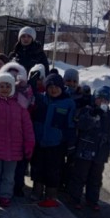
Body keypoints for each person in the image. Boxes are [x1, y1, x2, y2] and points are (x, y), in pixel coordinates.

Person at [0, 73, 35, 207]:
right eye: (1, 86)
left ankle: (5, 195)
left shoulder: (19, 105)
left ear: (12, 88)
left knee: (9, 175)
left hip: (13, 147)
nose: (4, 89)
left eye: (7, 86)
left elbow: (27, 126)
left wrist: (29, 142)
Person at [68, 86, 110, 211]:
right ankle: (74, 198)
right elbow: (80, 125)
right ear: (94, 99)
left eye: (105, 100)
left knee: (95, 179)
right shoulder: (87, 111)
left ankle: (92, 200)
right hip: (84, 151)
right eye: (99, 99)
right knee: (79, 176)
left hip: (100, 154)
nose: (102, 102)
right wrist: (92, 115)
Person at [29, 73, 76, 207]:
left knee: (53, 170)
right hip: (39, 142)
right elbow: (31, 92)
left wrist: (70, 143)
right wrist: (32, 82)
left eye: (56, 87)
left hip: (56, 144)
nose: (53, 90)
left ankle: (51, 195)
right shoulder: (41, 99)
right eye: (50, 87)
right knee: (37, 167)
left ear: (61, 87)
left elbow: (71, 125)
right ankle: (37, 190)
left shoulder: (68, 103)